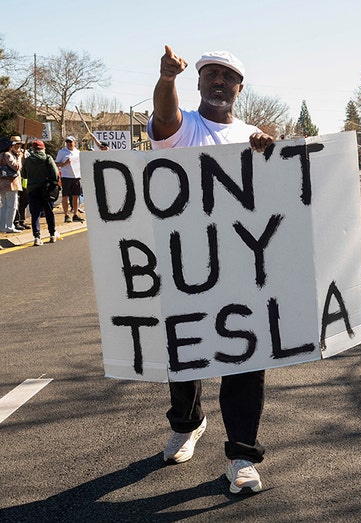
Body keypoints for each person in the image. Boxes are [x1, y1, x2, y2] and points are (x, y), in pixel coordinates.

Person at [148, 45, 275, 494]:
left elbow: (275, 197)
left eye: (228, 76)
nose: (219, 81)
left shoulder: (252, 133)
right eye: (211, 75)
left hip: (242, 270)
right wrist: (167, 80)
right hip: (186, 268)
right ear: (198, 83)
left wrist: (268, 150)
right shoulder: (183, 128)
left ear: (240, 88)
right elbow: (164, 121)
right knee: (184, 358)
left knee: (246, 361)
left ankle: (242, 454)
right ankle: (187, 423)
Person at [20, 140, 60, 246]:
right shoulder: (47, 158)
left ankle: (37, 237)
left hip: (32, 189)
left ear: (33, 149)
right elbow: (55, 174)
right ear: (43, 148)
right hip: (46, 190)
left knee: (35, 214)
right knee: (48, 212)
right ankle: (52, 234)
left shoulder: (27, 160)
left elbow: (24, 174)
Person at [55, 136, 84, 224]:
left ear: (74, 142)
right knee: (65, 196)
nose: (69, 143)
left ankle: (75, 214)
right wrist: (64, 163)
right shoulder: (62, 152)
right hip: (66, 176)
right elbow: (56, 163)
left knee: (76, 196)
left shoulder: (78, 152)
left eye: (70, 142)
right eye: (67, 142)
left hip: (77, 177)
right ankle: (66, 215)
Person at [0, 136, 24, 233]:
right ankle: (9, 226)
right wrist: (19, 158)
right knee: (12, 206)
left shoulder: (1, 154)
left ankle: (3, 226)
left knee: (5, 205)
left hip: (3, 183)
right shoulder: (7, 155)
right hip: (11, 183)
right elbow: (16, 167)